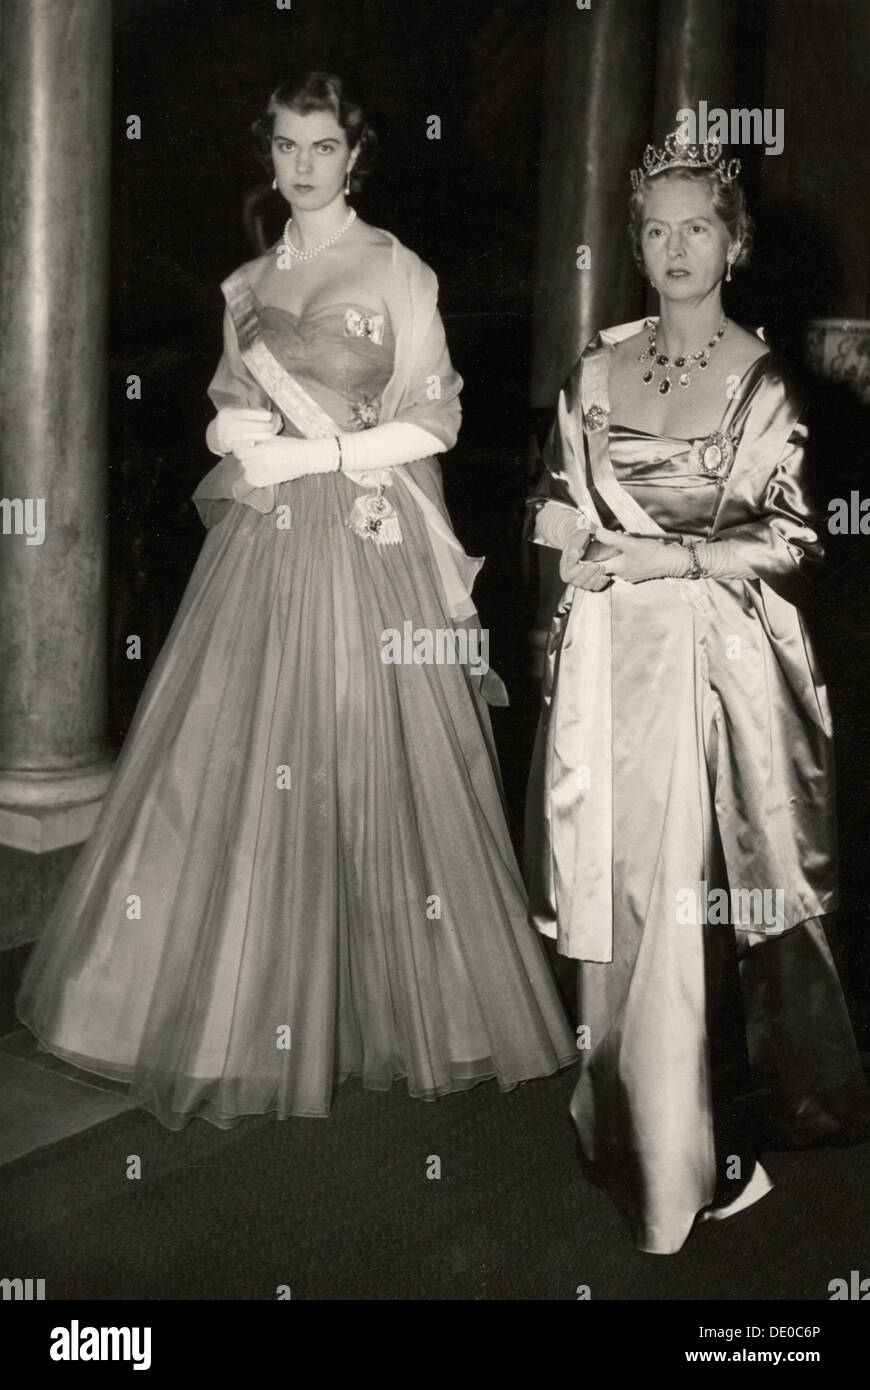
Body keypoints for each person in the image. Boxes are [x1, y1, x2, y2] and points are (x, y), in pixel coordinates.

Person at [17, 71, 575, 1130]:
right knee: (231, 761)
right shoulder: (245, 282)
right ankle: (231, 1006)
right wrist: (231, 436)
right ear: (269, 153)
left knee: (370, 756)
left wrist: (331, 450)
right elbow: (228, 409)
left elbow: (438, 417)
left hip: (365, 539)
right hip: (266, 547)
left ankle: (388, 1002)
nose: (303, 164)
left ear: (353, 156)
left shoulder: (398, 268)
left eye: (322, 146)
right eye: (286, 146)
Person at [525, 131, 870, 1254]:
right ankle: (620, 1114)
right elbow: (558, 501)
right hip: (609, 668)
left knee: (684, 911)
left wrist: (667, 563)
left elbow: (798, 542)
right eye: (657, 230)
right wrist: (573, 549)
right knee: (615, 897)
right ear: (638, 244)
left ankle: (688, 1160)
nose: (676, 250)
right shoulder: (596, 369)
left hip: (719, 670)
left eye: (698, 229)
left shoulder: (763, 380)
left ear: (734, 242)